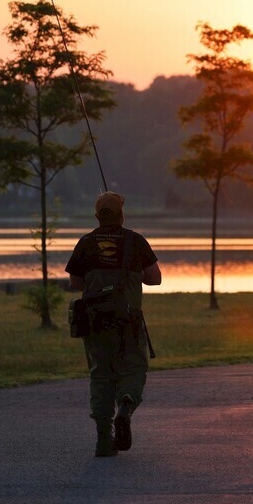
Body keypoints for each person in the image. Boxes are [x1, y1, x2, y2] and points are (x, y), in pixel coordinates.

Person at [66, 191, 162, 457]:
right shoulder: (135, 241)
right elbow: (155, 278)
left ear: (97, 216)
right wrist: (133, 273)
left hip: (95, 322)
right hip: (129, 320)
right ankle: (126, 405)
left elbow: (75, 283)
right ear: (121, 214)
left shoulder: (86, 242)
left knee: (101, 376)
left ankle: (103, 440)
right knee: (134, 369)